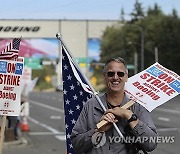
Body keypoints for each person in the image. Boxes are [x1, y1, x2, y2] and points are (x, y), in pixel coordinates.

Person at [71, 57, 158, 154]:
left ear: (126, 77)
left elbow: (151, 144)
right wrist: (98, 131)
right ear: (104, 76)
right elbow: (76, 144)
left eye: (120, 74)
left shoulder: (137, 106)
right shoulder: (91, 105)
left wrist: (129, 116)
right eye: (111, 73)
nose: (115, 77)